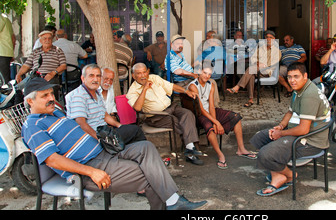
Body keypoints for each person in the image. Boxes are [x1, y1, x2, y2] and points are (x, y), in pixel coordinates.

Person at [21, 76, 207, 210]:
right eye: (44, 96)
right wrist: (91, 172)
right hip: (89, 167)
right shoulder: (33, 125)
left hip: (103, 152)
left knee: (146, 147)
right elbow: (52, 160)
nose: (51, 98)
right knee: (150, 177)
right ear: (30, 101)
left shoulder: (56, 113)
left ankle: (173, 201)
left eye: (51, 94)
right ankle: (173, 202)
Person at [250, 62, 331, 196]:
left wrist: (280, 134)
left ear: (305, 76)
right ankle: (278, 173)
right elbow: (290, 112)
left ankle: (288, 175)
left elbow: (304, 130)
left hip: (311, 140)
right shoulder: (298, 89)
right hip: (298, 133)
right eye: (289, 77)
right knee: (260, 137)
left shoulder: (309, 95)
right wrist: (281, 125)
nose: (292, 80)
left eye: (296, 76)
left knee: (265, 154)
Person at [126, 63, 205, 166]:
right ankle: (191, 152)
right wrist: (144, 89)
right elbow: (137, 108)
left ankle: (190, 149)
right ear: (133, 76)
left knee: (187, 114)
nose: (143, 75)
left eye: (144, 72)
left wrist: (186, 91)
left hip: (171, 107)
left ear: (148, 71)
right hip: (156, 116)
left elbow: (171, 86)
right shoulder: (132, 91)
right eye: (139, 73)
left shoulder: (154, 78)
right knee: (178, 122)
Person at [188, 62, 257, 169]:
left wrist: (216, 122)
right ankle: (220, 155)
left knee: (236, 117)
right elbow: (201, 110)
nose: (207, 76)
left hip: (210, 111)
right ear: (199, 72)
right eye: (204, 73)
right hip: (199, 114)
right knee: (209, 127)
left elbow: (211, 106)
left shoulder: (210, 85)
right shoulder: (193, 86)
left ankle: (241, 149)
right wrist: (216, 123)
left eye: (209, 74)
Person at [66, 64, 146, 145]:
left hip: (105, 132)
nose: (95, 79)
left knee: (132, 131)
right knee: (136, 131)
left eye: (98, 76)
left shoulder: (96, 93)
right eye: (91, 76)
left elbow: (104, 114)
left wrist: (120, 126)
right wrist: (100, 139)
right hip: (95, 137)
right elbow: (81, 123)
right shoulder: (79, 96)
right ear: (83, 78)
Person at [227, 30, 281, 107]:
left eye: (271, 37)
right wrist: (257, 63)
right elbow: (253, 58)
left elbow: (273, 63)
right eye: (267, 37)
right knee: (251, 75)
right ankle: (250, 100)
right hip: (256, 70)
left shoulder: (277, 51)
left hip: (266, 72)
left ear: (274, 39)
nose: (268, 39)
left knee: (251, 69)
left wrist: (263, 65)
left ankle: (237, 87)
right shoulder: (261, 49)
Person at [0, 14, 15, 82]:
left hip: (1, 52)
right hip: (6, 53)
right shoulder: (6, 19)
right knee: (5, 80)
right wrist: (11, 53)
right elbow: (13, 38)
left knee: (4, 82)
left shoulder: (1, 18)